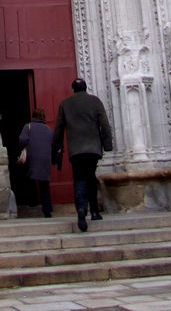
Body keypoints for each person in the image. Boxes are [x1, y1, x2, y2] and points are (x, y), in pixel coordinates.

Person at [52, 77, 113, 232]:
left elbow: (59, 128)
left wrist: (56, 147)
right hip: (93, 148)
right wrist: (107, 145)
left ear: (73, 89)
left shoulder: (66, 104)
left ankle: (81, 209)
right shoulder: (95, 101)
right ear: (86, 87)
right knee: (91, 177)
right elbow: (105, 125)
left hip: (76, 149)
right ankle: (94, 211)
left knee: (79, 179)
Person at [18, 108, 54, 217]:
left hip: (32, 157)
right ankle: (47, 210)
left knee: (30, 180)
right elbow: (53, 143)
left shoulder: (28, 126)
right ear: (43, 117)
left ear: (33, 116)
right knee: (44, 184)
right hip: (45, 158)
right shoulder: (49, 129)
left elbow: (22, 140)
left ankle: (31, 203)